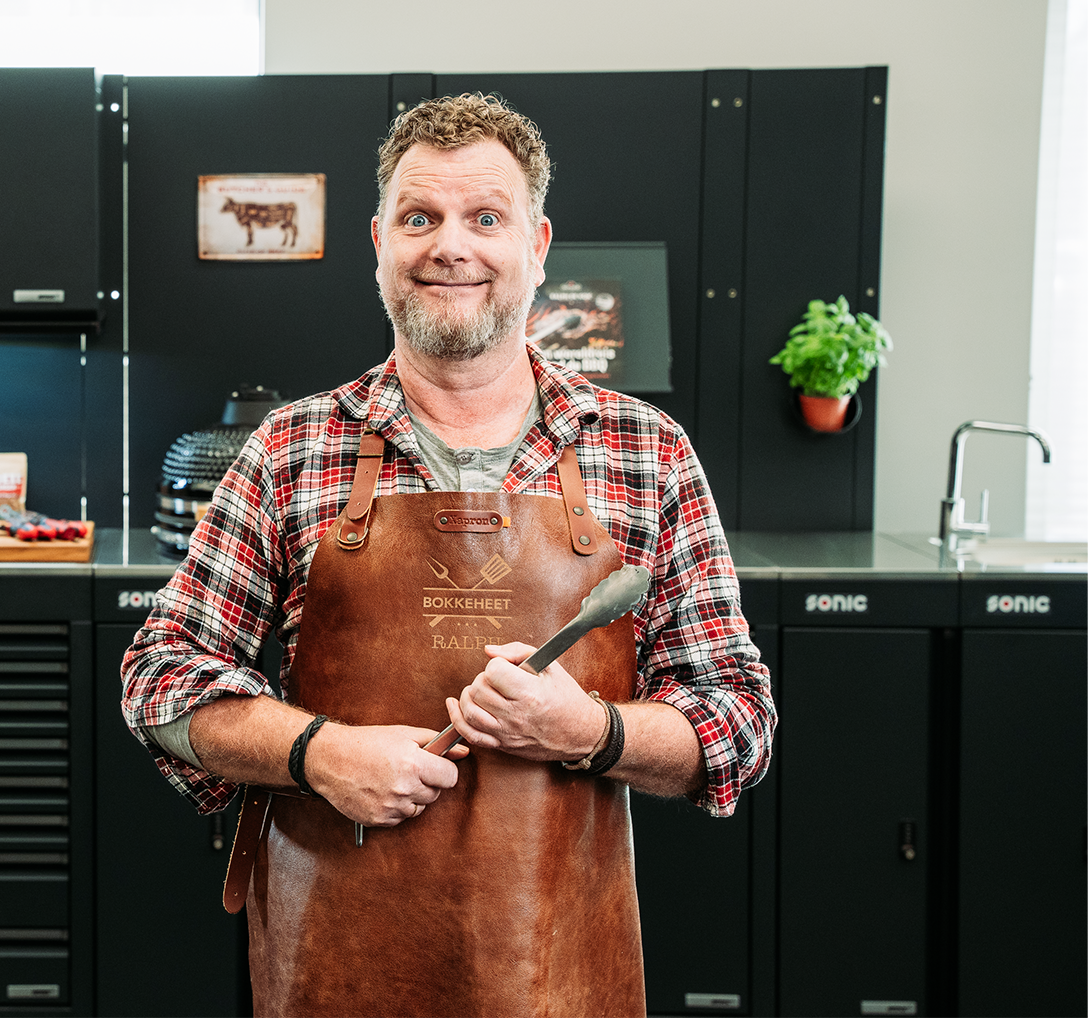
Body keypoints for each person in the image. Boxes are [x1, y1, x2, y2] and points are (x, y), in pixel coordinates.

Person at [119, 93, 775, 1017]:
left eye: (486, 218)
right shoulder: (292, 450)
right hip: (335, 969)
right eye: (419, 217)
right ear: (377, 241)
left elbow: (738, 721)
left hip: (560, 974)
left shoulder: (644, 451)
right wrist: (317, 752)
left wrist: (589, 731)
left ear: (537, 247)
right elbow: (160, 681)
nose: (450, 246)